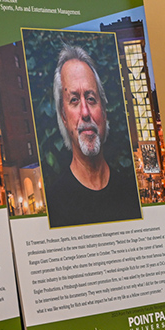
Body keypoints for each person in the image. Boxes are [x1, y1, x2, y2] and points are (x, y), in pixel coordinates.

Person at [45, 45, 141, 227]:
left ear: (104, 112)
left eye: (91, 98)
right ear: (63, 117)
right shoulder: (52, 206)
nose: (85, 112)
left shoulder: (134, 193)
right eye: (74, 100)